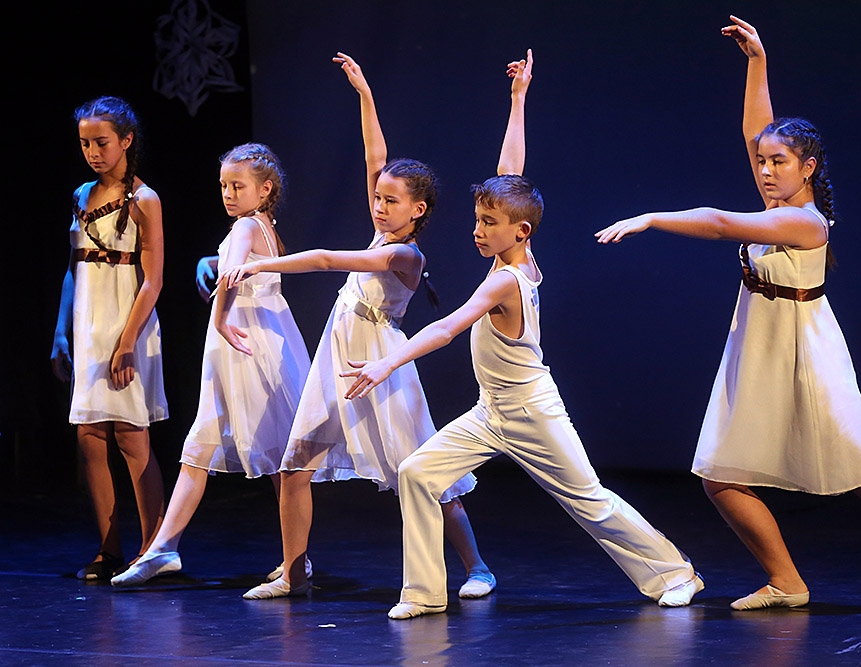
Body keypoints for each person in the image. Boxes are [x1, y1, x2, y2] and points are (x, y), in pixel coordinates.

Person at [595, 16, 861, 614]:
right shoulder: (775, 199)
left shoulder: (804, 221)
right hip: (758, 346)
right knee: (720, 476)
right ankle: (786, 580)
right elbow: (756, 130)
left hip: (807, 352)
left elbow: (718, 223)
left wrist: (651, 218)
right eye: (761, 162)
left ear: (806, 168)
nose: (764, 170)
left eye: (778, 162)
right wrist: (756, 61)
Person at [342, 49, 702, 621]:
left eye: (489, 223)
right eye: (477, 219)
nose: (478, 230)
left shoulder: (506, 279)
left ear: (521, 230)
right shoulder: (512, 253)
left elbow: (447, 326)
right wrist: (517, 99)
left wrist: (387, 363)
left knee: (588, 500)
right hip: (492, 411)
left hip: (532, 410)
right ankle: (423, 592)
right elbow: (510, 173)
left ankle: (676, 573)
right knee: (417, 473)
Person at [220, 53, 495, 600]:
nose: (379, 206)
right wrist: (365, 95)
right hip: (338, 351)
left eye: (391, 201)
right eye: (377, 197)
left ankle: (478, 567)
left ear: (418, 210)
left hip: (380, 360)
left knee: (426, 473)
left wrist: (260, 264)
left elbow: (325, 259)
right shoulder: (382, 229)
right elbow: (376, 156)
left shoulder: (405, 255)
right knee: (295, 462)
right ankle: (294, 573)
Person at [111, 142, 312, 586]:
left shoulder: (245, 226)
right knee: (210, 446)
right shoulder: (265, 227)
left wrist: (219, 318)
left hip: (242, 342)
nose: (228, 194)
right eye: (223, 186)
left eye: (238, 186)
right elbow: (243, 265)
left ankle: (295, 561)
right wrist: (212, 261)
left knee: (276, 455)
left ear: (265, 189)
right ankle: (164, 548)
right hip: (265, 338)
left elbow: (233, 274)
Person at [51, 96, 168, 581]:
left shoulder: (144, 199)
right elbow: (73, 267)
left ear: (126, 140)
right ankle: (108, 548)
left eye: (101, 142)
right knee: (90, 437)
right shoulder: (81, 195)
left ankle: (154, 550)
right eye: (85, 144)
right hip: (88, 325)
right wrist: (61, 331)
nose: (93, 152)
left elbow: (153, 279)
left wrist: (126, 342)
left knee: (131, 434)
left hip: (128, 324)